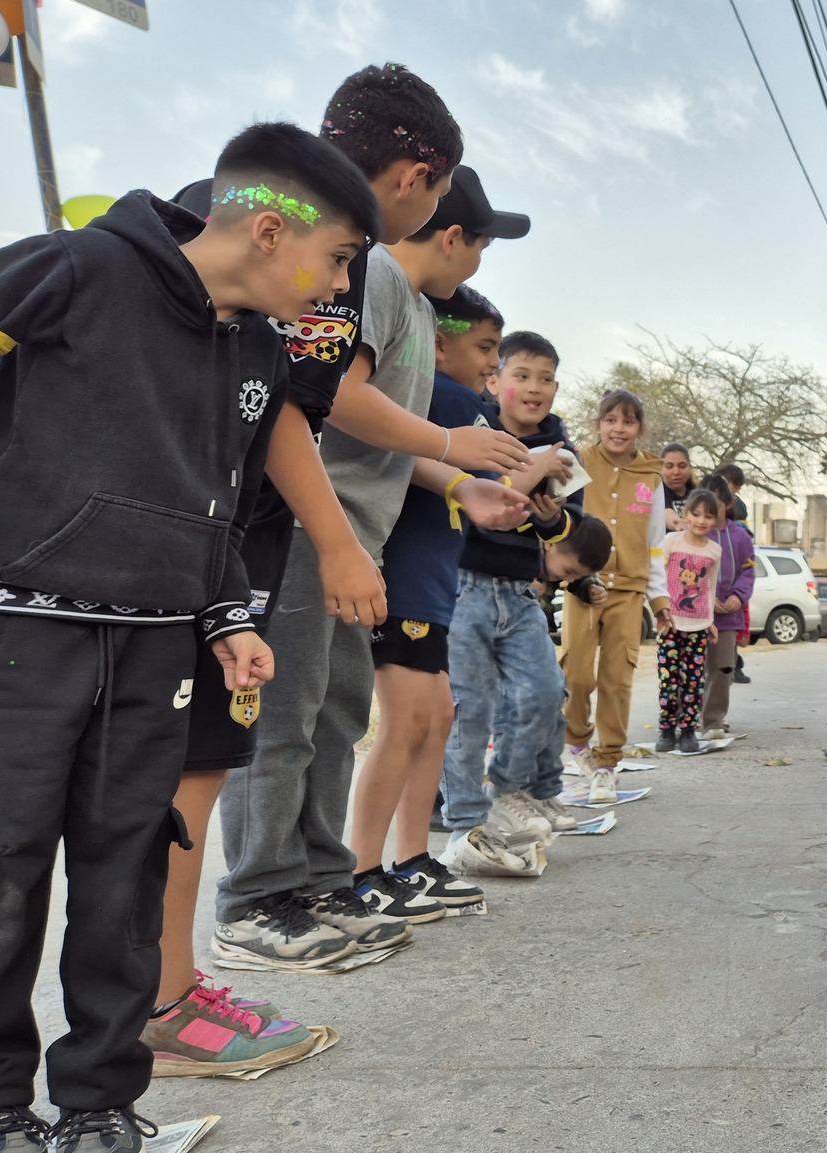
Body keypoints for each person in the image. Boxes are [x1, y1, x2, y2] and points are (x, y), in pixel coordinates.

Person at [0, 120, 375, 1153]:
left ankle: (97, 1103)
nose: (337, 289)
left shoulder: (254, 349)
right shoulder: (64, 269)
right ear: (269, 228)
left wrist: (225, 618)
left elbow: (213, 496)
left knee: (125, 873)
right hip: (20, 637)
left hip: (159, 651)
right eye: (338, 259)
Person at [146, 64, 483, 1069]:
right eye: (334, 262)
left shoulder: (325, 270)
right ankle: (250, 906)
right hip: (251, 536)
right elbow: (308, 404)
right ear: (419, 174)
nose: (338, 280)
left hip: (290, 532)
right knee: (239, 741)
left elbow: (289, 390)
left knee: (307, 720)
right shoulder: (245, 240)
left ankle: (293, 891)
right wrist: (339, 531)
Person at [213, 159, 535, 971]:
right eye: (483, 243)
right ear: (448, 227)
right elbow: (328, 396)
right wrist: (447, 443)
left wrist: (461, 480)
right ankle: (256, 899)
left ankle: (321, 880)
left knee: (334, 718)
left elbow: (384, 437)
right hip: (304, 526)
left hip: (360, 537)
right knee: (282, 722)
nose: (481, 261)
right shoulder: (381, 276)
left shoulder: (416, 308)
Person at [344, 285, 511, 917]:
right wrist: (543, 460)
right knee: (407, 724)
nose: (492, 363)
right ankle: (365, 869)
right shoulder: (448, 398)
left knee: (436, 718)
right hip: (408, 582)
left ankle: (412, 859)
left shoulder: (447, 398)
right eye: (485, 347)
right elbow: (497, 475)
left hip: (434, 588)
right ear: (438, 344)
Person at [439, 330, 611, 849]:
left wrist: (553, 519)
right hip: (464, 588)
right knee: (469, 708)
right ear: (494, 381)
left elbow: (568, 526)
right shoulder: (474, 432)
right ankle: (466, 821)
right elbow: (455, 500)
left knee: (543, 691)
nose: (535, 388)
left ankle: (514, 793)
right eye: (521, 376)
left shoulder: (562, 447)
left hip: (520, 591)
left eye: (546, 379)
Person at [560, 392, 669, 795]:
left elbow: (655, 543)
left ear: (640, 428)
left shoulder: (652, 476)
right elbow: (557, 518)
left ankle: (607, 760)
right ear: (598, 425)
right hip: (582, 586)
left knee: (616, 678)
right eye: (610, 420)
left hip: (630, 591)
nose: (618, 429)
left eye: (627, 422)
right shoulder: (578, 462)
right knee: (577, 674)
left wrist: (660, 600)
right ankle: (576, 743)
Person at [654, 489, 727, 756]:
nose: (701, 521)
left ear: (716, 521)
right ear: (686, 515)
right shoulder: (671, 542)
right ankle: (666, 729)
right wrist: (657, 613)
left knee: (693, 681)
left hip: (698, 626)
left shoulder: (714, 551)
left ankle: (688, 730)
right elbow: (658, 577)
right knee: (668, 679)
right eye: (695, 514)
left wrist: (710, 621)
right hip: (670, 623)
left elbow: (710, 588)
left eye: (708, 516)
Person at [697, 475, 757, 741]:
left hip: (728, 617)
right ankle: (684, 719)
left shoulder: (741, 537)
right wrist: (706, 599)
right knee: (692, 669)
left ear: (728, 504)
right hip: (694, 616)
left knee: (722, 669)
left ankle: (713, 720)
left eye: (716, 507)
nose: (710, 514)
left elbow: (748, 571)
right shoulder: (692, 537)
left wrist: (738, 596)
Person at [659, 442, 695, 529]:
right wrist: (678, 525)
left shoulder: (698, 493)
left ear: (689, 467)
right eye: (669, 466)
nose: (676, 472)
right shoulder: (657, 493)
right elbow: (666, 513)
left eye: (682, 466)